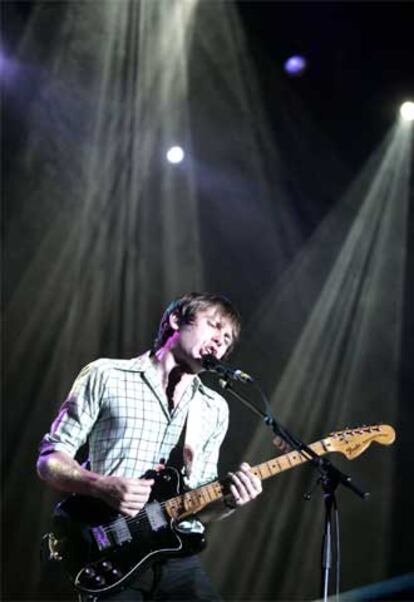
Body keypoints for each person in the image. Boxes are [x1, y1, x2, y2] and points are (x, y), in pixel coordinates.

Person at [37, 292, 262, 601]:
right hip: (107, 550)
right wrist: (101, 485)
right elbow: (50, 459)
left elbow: (198, 505)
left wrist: (231, 500)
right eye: (214, 326)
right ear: (175, 320)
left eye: (227, 339)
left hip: (175, 556)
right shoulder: (106, 375)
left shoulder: (214, 408)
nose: (220, 342)